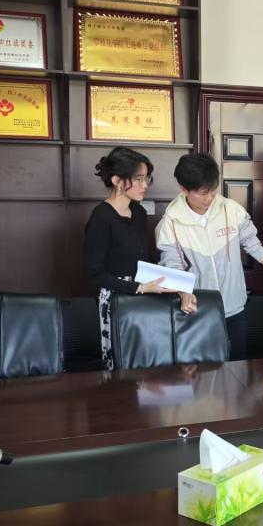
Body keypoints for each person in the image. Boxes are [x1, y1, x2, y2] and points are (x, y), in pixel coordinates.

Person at [156, 153, 263, 361]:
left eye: (213, 190)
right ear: (184, 189)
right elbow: (173, 266)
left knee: (237, 367)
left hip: (234, 309)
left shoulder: (231, 211)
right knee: (202, 373)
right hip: (197, 311)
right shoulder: (170, 223)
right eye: (203, 193)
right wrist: (184, 293)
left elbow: (256, 248)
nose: (209, 198)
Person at [84, 147, 174, 371]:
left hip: (146, 294)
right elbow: (95, 273)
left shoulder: (139, 212)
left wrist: (170, 282)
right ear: (117, 180)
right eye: (138, 179)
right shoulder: (101, 218)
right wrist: (139, 288)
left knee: (149, 362)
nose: (145, 185)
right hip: (118, 299)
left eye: (146, 179)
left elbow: (144, 257)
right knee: (122, 364)